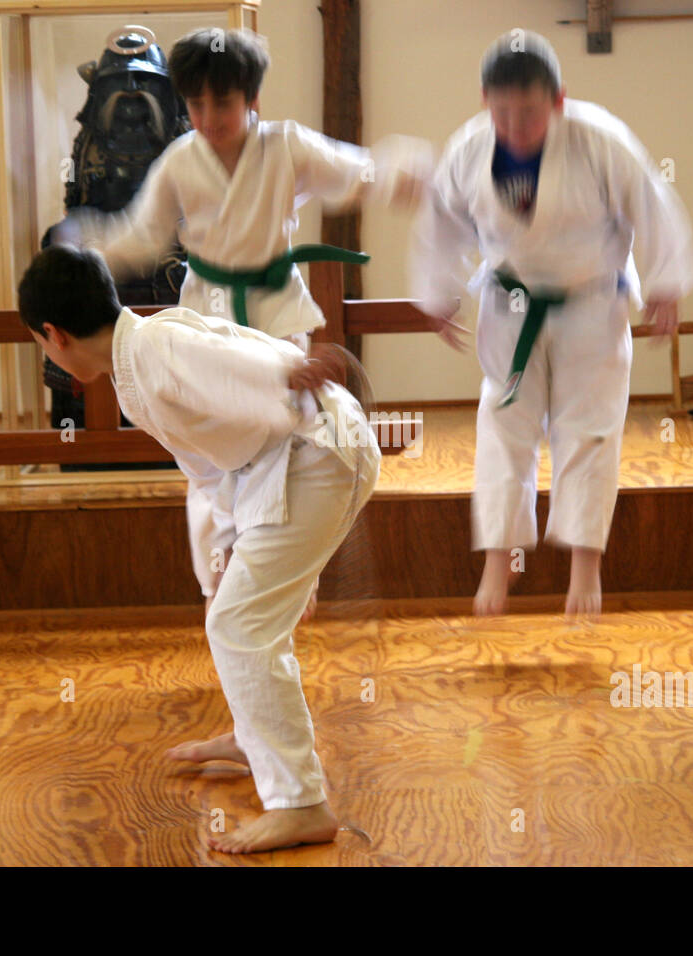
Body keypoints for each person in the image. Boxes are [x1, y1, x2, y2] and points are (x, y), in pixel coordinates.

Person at [18, 244, 380, 853]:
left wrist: (288, 371)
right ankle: (254, 736)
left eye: (39, 343)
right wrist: (240, 547)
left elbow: (229, 358)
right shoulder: (140, 355)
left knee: (239, 625)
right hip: (301, 459)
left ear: (53, 335)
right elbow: (213, 472)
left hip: (319, 454)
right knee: (248, 613)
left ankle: (301, 804)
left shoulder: (155, 350)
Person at [62, 26, 428, 620]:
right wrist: (86, 243)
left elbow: (353, 171)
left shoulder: (286, 148)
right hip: (207, 313)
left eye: (223, 102)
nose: (208, 117)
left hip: (275, 310)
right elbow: (141, 233)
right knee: (209, 447)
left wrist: (398, 175)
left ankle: (286, 567)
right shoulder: (180, 160)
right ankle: (221, 584)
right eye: (196, 104)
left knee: (285, 441)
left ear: (252, 99)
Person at [410, 30, 693, 618]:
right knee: (503, 422)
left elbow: (651, 203)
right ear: (484, 102)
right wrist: (438, 292)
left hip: (592, 304)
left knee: (589, 429)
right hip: (510, 306)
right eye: (503, 112)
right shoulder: (468, 149)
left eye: (530, 113)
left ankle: (585, 565)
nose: (515, 125)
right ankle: (498, 557)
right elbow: (440, 222)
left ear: (559, 99)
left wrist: (665, 284)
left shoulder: (600, 139)